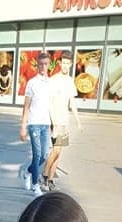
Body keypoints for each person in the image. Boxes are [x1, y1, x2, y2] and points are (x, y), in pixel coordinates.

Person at [42, 52, 79, 192]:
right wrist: (53, 123)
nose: (65, 65)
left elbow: (72, 102)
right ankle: (44, 176)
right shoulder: (53, 80)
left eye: (68, 63)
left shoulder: (70, 81)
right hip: (55, 121)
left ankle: (51, 180)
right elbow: (49, 103)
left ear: (70, 65)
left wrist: (78, 120)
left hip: (64, 122)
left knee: (59, 152)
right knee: (55, 150)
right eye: (63, 62)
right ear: (60, 63)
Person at [19, 51, 52, 197]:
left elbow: (51, 105)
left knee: (45, 155)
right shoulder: (32, 83)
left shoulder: (50, 83)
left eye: (46, 64)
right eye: (41, 64)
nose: (43, 67)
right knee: (37, 154)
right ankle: (35, 185)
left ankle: (27, 172)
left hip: (45, 124)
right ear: (37, 65)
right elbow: (26, 106)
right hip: (34, 123)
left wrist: (52, 124)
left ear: (49, 65)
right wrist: (23, 127)